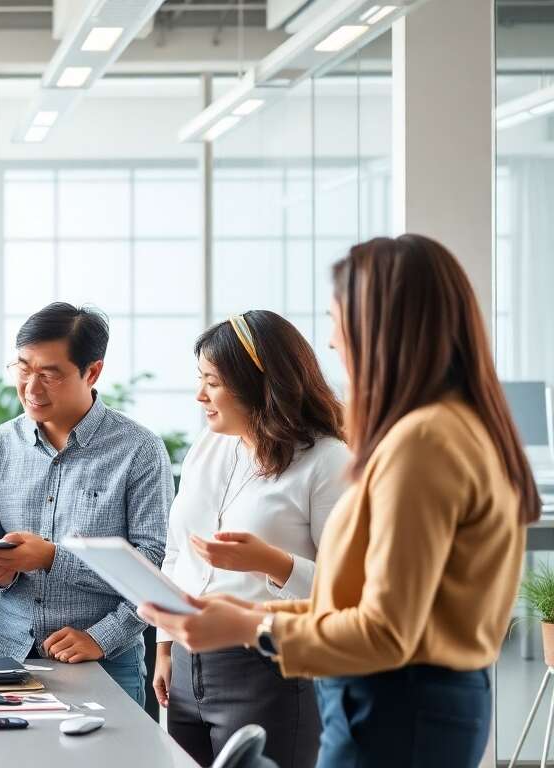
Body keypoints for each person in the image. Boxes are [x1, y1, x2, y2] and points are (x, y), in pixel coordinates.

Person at [140, 234, 539, 768]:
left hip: (399, 708)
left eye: (337, 320)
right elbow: (373, 608)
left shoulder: (422, 443)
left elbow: (385, 631)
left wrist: (249, 625)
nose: (330, 342)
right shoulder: (447, 429)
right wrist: (248, 611)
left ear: (381, 328)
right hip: (402, 701)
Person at [155, 310, 350, 768]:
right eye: (199, 379)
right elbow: (178, 553)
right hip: (188, 666)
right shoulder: (209, 445)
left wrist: (272, 562)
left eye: (213, 382)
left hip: (270, 666)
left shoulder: (326, 461)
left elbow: (346, 592)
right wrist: (165, 647)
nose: (200, 395)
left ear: (260, 383)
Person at [0, 302, 172, 706]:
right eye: (23, 368)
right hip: (7, 656)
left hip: (103, 660)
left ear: (92, 371)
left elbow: (157, 565)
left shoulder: (138, 450)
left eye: (49, 374)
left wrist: (101, 636)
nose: (31, 388)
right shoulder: (0, 446)